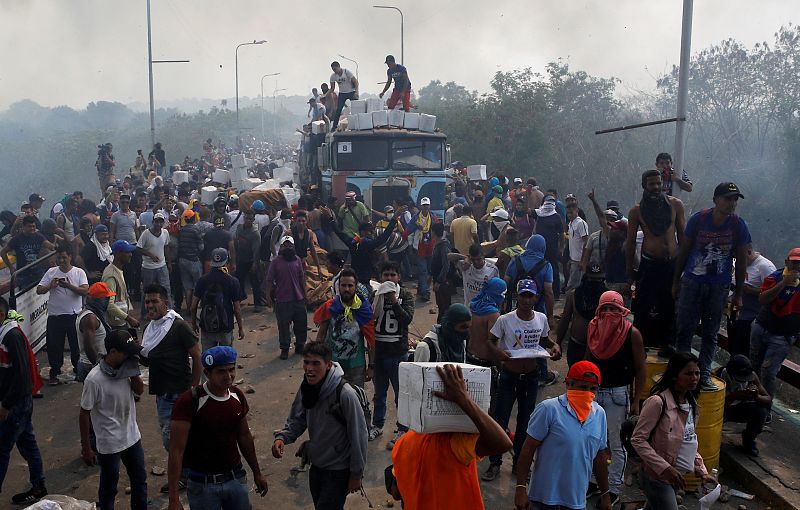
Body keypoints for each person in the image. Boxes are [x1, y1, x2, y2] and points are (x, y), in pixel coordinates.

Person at [391, 364, 513, 510]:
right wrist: (465, 400)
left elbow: (396, 492)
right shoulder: (455, 445)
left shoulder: (403, 443)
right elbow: (503, 444)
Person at [168, 346, 269, 510]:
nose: (229, 376)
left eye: (231, 369)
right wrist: (174, 498)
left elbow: (244, 436)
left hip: (235, 479)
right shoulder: (189, 401)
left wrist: (257, 472)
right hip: (203, 486)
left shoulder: (237, 396)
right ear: (207, 373)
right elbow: (176, 451)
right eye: (221, 371)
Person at [673, 182, 751, 390]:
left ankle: (704, 374)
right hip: (692, 282)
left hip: (719, 286)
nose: (731, 203)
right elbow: (684, 251)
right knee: (685, 329)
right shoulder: (699, 220)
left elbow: (742, 261)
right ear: (716, 199)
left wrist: (739, 294)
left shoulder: (738, 226)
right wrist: (675, 281)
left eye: (735, 199)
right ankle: (680, 372)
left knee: (710, 332)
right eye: (727, 198)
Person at [272, 342, 368, 510]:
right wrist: (283, 437)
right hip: (317, 466)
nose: (309, 368)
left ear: (328, 364)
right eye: (306, 362)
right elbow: (299, 419)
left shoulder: (345, 394)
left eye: (316, 363)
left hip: (338, 470)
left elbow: (359, 436)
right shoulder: (307, 388)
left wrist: (356, 474)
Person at [481, 279, 559, 481]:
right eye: (522, 295)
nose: (526, 300)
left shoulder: (540, 318)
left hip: (531, 377)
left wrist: (554, 345)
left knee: (525, 422)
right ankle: (495, 463)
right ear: (517, 297)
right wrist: (499, 354)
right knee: (501, 419)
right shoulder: (505, 320)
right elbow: (490, 340)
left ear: (536, 297)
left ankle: (519, 464)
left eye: (529, 295)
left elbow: (543, 339)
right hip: (509, 376)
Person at [514, 361, 611, 510]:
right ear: (569, 384)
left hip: (576, 500)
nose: (588, 393)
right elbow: (528, 448)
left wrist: (605, 494)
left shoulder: (599, 415)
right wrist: (520, 488)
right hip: (543, 499)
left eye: (593, 389)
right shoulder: (549, 409)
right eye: (583, 387)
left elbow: (599, 457)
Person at [631, 352, 715, 510]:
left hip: (676, 478)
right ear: (675, 376)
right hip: (657, 477)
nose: (694, 378)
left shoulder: (692, 405)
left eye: (697, 373)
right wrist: (666, 468)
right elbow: (638, 439)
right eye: (689, 373)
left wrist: (701, 470)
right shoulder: (657, 402)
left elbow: (688, 440)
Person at [139, 283, 201, 493]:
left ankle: (186, 476)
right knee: (172, 440)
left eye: (154, 301)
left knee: (174, 440)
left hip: (180, 393)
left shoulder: (178, 326)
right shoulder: (151, 329)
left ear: (165, 303)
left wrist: (193, 389)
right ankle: (187, 474)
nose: (150, 305)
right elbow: (148, 359)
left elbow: (197, 357)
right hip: (162, 395)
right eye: (147, 301)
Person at [585, 291, 646, 504]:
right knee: (593, 439)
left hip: (618, 394)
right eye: (606, 309)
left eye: (614, 309)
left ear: (622, 311)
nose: (609, 313)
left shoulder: (632, 333)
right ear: (599, 310)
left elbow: (640, 369)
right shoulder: (593, 329)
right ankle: (594, 481)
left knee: (617, 443)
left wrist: (637, 400)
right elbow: (587, 363)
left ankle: (613, 487)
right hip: (594, 392)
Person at [79, 329, 147, 510]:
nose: (129, 357)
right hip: (109, 444)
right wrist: (86, 447)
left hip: (132, 437)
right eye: (126, 353)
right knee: (109, 488)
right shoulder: (94, 379)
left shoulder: (126, 370)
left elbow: (139, 391)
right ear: (113, 352)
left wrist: (134, 374)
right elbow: (84, 412)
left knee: (140, 482)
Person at [626, 169, 686, 354]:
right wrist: (630, 270)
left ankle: (668, 346)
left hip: (672, 264)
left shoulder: (675, 205)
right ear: (645, 186)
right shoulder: (637, 211)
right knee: (643, 306)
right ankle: (639, 345)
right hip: (650, 264)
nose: (656, 187)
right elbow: (629, 243)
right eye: (652, 184)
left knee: (670, 304)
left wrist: (684, 267)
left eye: (659, 183)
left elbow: (684, 238)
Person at [0, 298, 47, 505]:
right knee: (28, 443)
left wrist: (6, 405)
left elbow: (22, 378)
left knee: (1, 450)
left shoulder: (12, 336)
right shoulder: (6, 334)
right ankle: (38, 486)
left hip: (16, 404)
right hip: (18, 402)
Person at [369, 261, 414, 446]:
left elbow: (407, 319)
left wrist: (394, 301)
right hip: (379, 352)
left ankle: (403, 428)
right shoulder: (375, 295)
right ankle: (378, 425)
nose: (388, 278)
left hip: (398, 352)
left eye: (392, 275)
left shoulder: (405, 295)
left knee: (400, 393)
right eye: (385, 275)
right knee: (379, 393)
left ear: (398, 278)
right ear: (380, 278)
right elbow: (369, 318)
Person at [750, 247, 800, 407]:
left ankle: (765, 409)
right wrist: (784, 284)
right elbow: (763, 299)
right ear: (787, 263)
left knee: (769, 373)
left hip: (783, 336)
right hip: (762, 327)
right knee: (753, 366)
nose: (797, 267)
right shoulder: (776, 277)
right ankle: (750, 401)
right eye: (794, 263)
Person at [36, 243, 89, 385]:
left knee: (75, 346)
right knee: (54, 346)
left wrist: (69, 286)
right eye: (59, 258)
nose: (61, 260)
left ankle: (78, 370)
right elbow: (39, 290)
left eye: (64, 257)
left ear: (70, 257)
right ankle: (54, 372)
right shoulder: (51, 272)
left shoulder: (78, 272)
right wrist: (50, 286)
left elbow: (85, 291)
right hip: (55, 316)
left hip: (74, 315)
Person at [313, 269, 375, 388]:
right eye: (343, 285)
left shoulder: (364, 310)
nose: (346, 289)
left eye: (350, 285)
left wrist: (371, 366)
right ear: (338, 287)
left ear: (356, 287)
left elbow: (371, 341)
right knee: (332, 401)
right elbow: (321, 336)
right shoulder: (330, 307)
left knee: (356, 401)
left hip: (356, 366)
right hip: (332, 364)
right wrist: (317, 360)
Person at [715, 355, 771, 456]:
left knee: (761, 412)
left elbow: (767, 398)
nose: (743, 381)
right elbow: (712, 404)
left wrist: (756, 396)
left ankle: (749, 440)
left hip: (740, 407)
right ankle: (713, 440)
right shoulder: (718, 376)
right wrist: (733, 397)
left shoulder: (752, 376)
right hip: (722, 408)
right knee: (714, 420)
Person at [326, 207, 399, 285]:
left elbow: (339, 232)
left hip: (355, 278)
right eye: (370, 232)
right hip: (365, 280)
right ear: (363, 232)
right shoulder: (368, 244)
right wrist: (394, 218)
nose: (372, 234)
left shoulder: (352, 242)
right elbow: (384, 236)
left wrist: (331, 219)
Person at [191, 248, 245, 351]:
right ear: (226, 261)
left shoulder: (202, 280)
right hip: (226, 327)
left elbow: (193, 307)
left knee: (209, 360)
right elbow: (237, 309)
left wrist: (194, 324)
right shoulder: (232, 281)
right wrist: (240, 328)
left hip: (207, 327)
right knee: (226, 359)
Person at [555, 266, 608, 366]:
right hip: (576, 345)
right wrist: (557, 343)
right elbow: (565, 320)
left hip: (598, 348)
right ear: (585, 278)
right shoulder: (574, 295)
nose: (594, 282)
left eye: (598, 279)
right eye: (591, 279)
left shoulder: (607, 298)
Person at [265, 237, 307, 359]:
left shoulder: (297, 260)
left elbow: (301, 279)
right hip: (282, 300)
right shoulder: (275, 262)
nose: (288, 247)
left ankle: (300, 346)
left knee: (301, 324)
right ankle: (284, 349)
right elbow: (269, 280)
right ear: (281, 247)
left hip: (298, 298)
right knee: (283, 327)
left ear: (293, 247)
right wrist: (268, 296)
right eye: (285, 245)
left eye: (290, 245)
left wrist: (305, 295)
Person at [728, 247, 775, 356]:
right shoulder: (738, 263)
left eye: (738, 257)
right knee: (732, 346)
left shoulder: (765, 266)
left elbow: (771, 294)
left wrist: (749, 290)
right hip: (735, 313)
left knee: (743, 350)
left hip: (751, 318)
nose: (737, 260)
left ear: (748, 251)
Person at [75, 282, 115, 382]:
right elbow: (89, 347)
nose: (107, 301)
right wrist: (99, 367)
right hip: (90, 366)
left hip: (93, 365)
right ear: (97, 300)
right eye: (105, 298)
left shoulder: (94, 313)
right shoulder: (90, 318)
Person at [1, 215, 54, 290]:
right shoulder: (17, 239)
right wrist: (11, 267)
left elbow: (48, 244)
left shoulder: (39, 236)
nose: (32, 228)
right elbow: (3, 252)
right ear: (23, 226)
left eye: (33, 226)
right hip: (23, 274)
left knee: (42, 293)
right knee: (25, 296)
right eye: (29, 226)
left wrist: (55, 247)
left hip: (38, 271)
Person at [406, 197, 439, 302]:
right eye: (424, 205)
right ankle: (425, 293)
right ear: (421, 206)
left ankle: (421, 288)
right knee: (423, 271)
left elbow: (438, 232)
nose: (425, 207)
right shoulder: (416, 219)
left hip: (430, 247)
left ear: (429, 206)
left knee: (428, 271)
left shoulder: (433, 217)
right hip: (419, 247)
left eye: (427, 205)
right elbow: (409, 232)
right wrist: (410, 246)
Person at [102, 240, 140, 332]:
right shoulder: (111, 275)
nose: (130, 254)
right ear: (118, 254)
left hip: (121, 322)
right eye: (127, 252)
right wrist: (129, 319)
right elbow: (109, 305)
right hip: (115, 326)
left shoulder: (118, 270)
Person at [138, 212, 172, 313]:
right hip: (148, 267)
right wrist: (150, 255)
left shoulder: (165, 232)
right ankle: (145, 313)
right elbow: (138, 248)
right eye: (157, 222)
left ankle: (168, 311)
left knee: (166, 289)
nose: (159, 224)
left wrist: (169, 262)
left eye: (161, 222)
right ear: (153, 222)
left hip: (162, 265)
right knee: (147, 291)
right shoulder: (146, 233)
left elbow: (166, 247)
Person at [533, 197, 565, 299]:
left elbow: (561, 234)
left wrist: (560, 248)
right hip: (539, 248)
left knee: (553, 269)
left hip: (552, 248)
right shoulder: (539, 213)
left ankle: (555, 293)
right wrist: (527, 196)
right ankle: (539, 291)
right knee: (538, 268)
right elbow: (527, 211)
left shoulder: (556, 217)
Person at [177, 209, 204, 312]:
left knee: (188, 287)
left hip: (182, 260)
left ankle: (188, 308)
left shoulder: (182, 230)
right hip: (193, 260)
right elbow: (201, 247)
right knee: (198, 285)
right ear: (193, 218)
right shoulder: (196, 230)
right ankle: (195, 308)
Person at [430, 222, 454, 323]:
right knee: (441, 305)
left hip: (443, 281)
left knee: (444, 306)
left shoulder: (443, 246)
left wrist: (439, 281)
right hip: (438, 279)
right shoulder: (438, 244)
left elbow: (446, 265)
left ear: (434, 232)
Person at [329, 61, 360, 129]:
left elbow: (356, 82)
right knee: (338, 110)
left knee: (357, 108)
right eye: (333, 70)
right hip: (342, 93)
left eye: (335, 69)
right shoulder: (333, 76)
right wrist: (325, 94)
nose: (334, 71)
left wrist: (357, 92)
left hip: (351, 92)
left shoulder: (346, 72)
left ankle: (359, 123)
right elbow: (332, 88)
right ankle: (334, 126)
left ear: (338, 67)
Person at [566, 202, 588, 291]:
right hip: (573, 259)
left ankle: (570, 304)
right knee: (574, 286)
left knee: (572, 286)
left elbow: (586, 242)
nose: (569, 215)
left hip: (579, 261)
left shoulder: (580, 223)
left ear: (577, 211)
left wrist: (583, 261)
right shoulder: (570, 224)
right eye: (568, 213)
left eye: (571, 212)